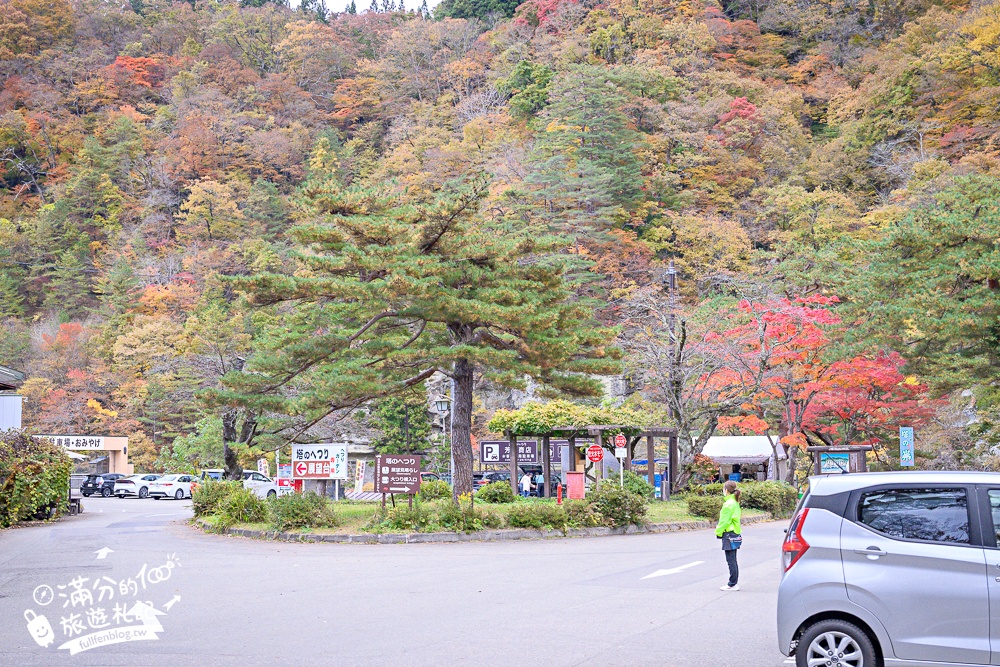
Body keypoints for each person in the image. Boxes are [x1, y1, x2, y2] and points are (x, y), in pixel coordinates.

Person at [716, 480, 742, 591]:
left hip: (729, 534)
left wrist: (718, 532)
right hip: (735, 532)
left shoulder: (728, 504)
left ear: (726, 490)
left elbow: (724, 521)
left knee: (730, 560)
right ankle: (733, 582)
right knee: (733, 559)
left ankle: (732, 583)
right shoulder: (735, 502)